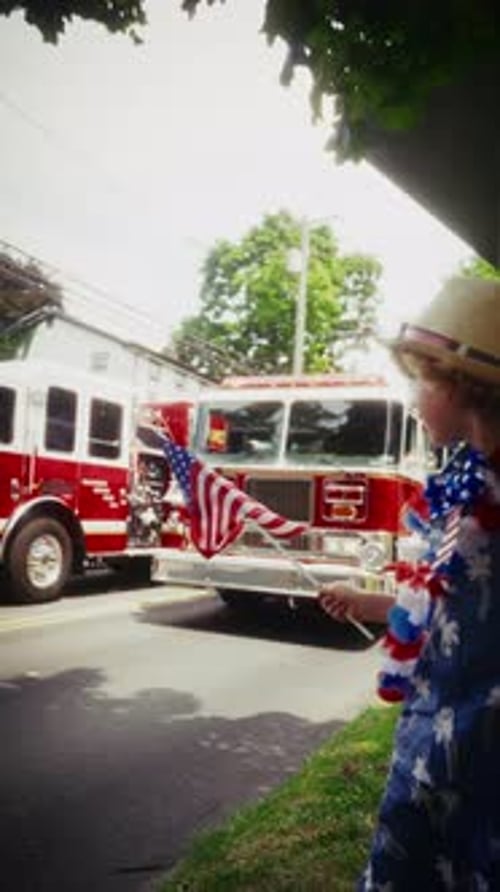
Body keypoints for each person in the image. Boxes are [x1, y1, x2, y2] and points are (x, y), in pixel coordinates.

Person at [319, 276, 500, 890]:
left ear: (462, 386)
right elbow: (453, 600)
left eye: (422, 377)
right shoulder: (468, 480)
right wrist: (372, 601)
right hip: (433, 751)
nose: (413, 394)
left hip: (476, 764)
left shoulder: (492, 500)